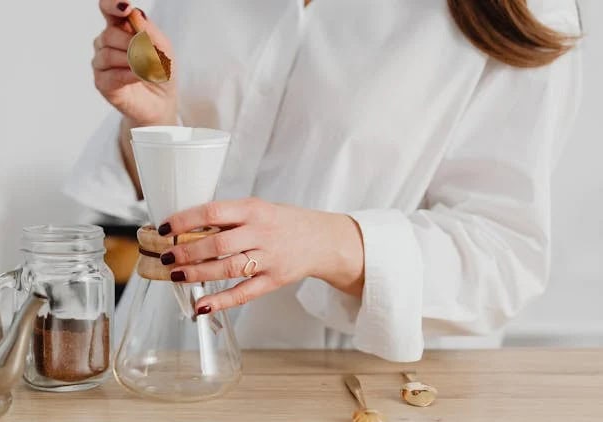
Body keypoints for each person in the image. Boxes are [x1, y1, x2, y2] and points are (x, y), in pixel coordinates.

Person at [65, 0, 583, 361]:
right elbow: (164, 201)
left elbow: (504, 257)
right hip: (174, 361)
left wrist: (325, 242)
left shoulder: (526, 11)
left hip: (366, 393)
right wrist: (155, 123)